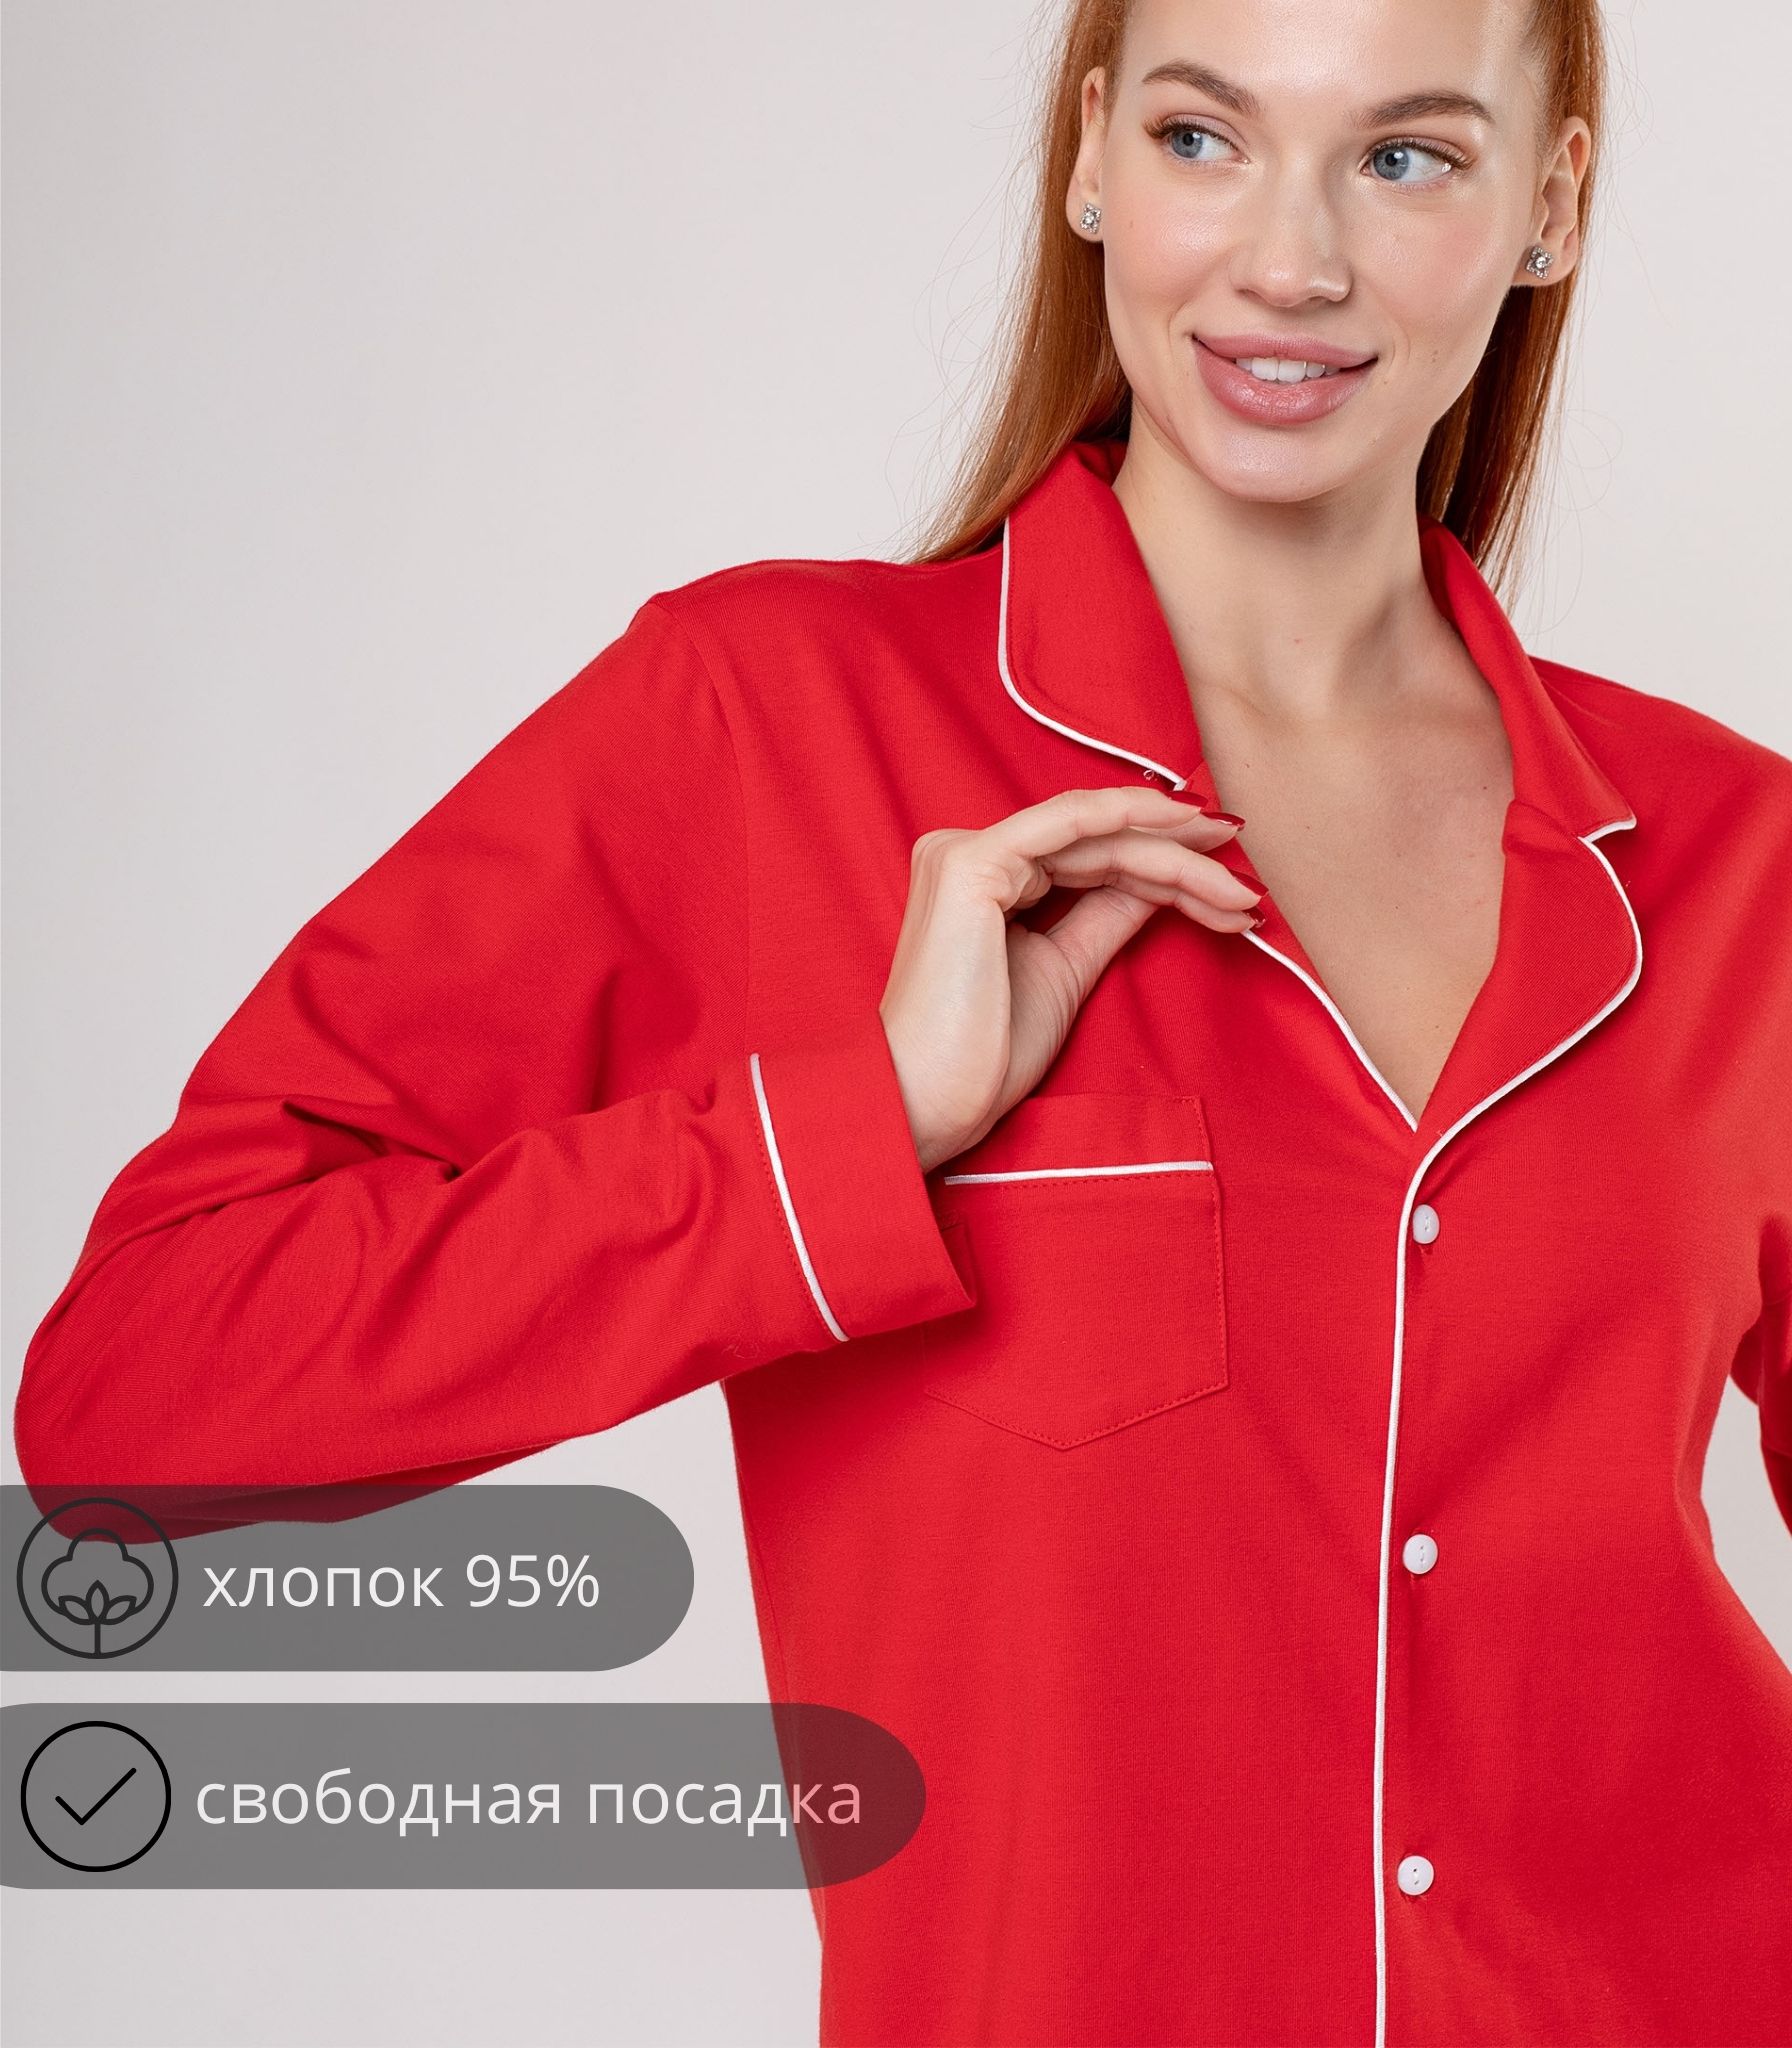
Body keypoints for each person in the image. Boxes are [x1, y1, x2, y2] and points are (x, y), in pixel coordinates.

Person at [15, 0, 1792, 2042]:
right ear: (1092, 155)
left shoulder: (1737, 858)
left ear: (1548, 201)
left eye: (1405, 158)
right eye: (1205, 138)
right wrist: (848, 1136)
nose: (1290, 257)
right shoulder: (761, 727)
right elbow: (138, 1390)